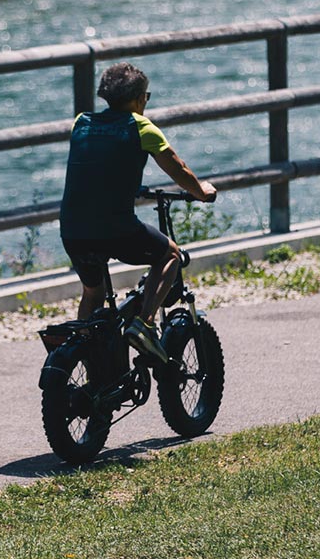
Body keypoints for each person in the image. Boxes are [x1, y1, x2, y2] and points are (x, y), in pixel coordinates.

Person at [59, 62, 218, 361]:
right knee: (170, 255)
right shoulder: (142, 127)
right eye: (146, 96)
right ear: (136, 99)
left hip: (72, 229)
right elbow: (179, 169)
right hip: (114, 228)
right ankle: (143, 325)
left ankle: (85, 355)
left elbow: (99, 164)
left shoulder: (81, 123)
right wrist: (202, 191)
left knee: (92, 293)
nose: (146, 102)